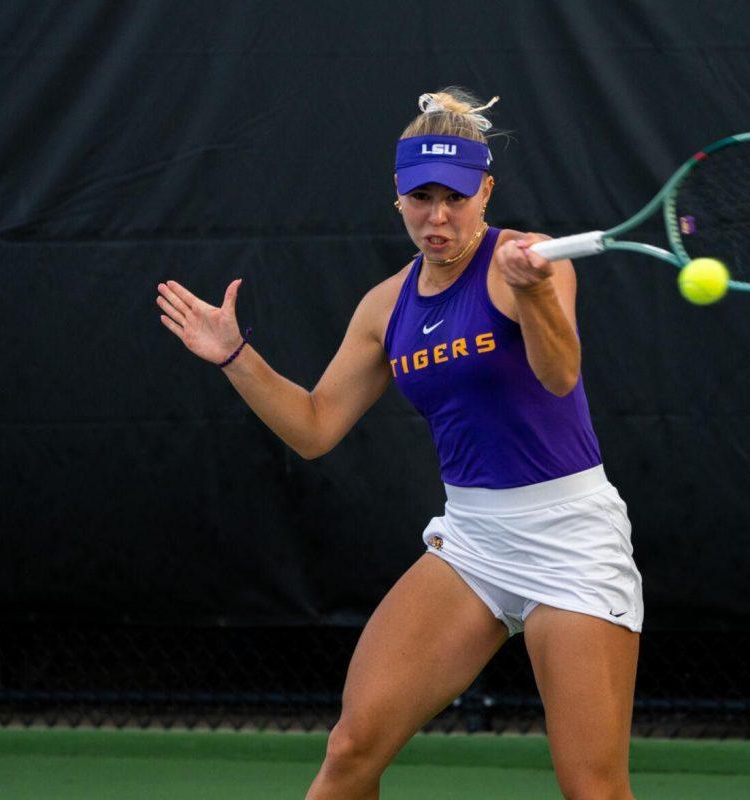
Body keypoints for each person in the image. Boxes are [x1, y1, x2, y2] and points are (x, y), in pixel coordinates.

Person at [156, 87, 643, 800]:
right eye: (422, 197)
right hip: (473, 540)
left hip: (570, 536)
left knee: (591, 788)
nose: (438, 216)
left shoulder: (529, 263)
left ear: (486, 192)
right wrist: (236, 356)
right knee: (352, 748)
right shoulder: (386, 306)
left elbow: (559, 372)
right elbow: (316, 427)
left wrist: (532, 293)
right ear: (397, 197)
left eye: (456, 196)